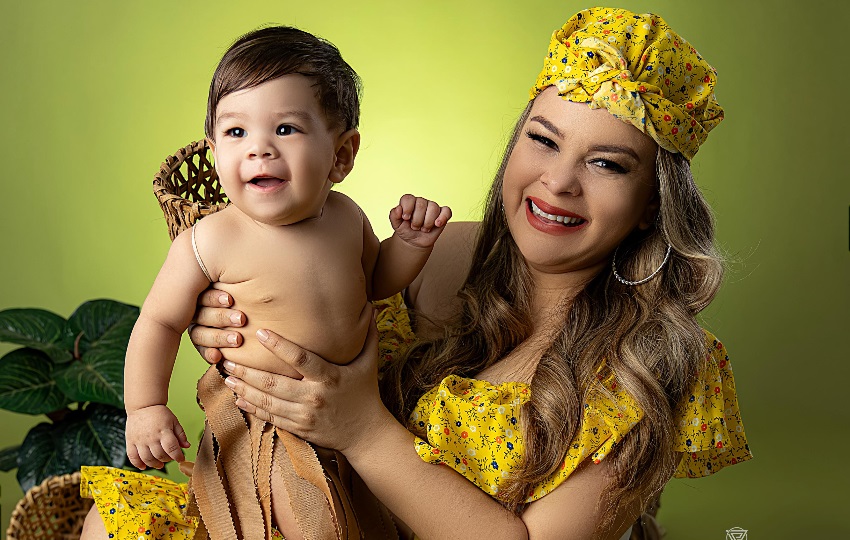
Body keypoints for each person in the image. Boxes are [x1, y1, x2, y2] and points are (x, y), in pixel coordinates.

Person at [82, 7, 751, 540]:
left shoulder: (654, 366)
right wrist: (228, 327)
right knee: (115, 520)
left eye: (607, 164)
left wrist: (362, 430)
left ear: (650, 206)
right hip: (290, 494)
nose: (558, 181)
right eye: (542, 140)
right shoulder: (452, 256)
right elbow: (303, 295)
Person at [80, 26, 450, 540]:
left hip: (359, 404)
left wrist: (409, 245)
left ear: (341, 155)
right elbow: (160, 320)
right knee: (311, 524)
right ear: (213, 151)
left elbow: (374, 282)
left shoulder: (346, 216)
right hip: (272, 423)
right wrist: (145, 407)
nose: (259, 150)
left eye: (285, 130)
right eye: (236, 133)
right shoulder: (211, 240)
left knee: (378, 518)